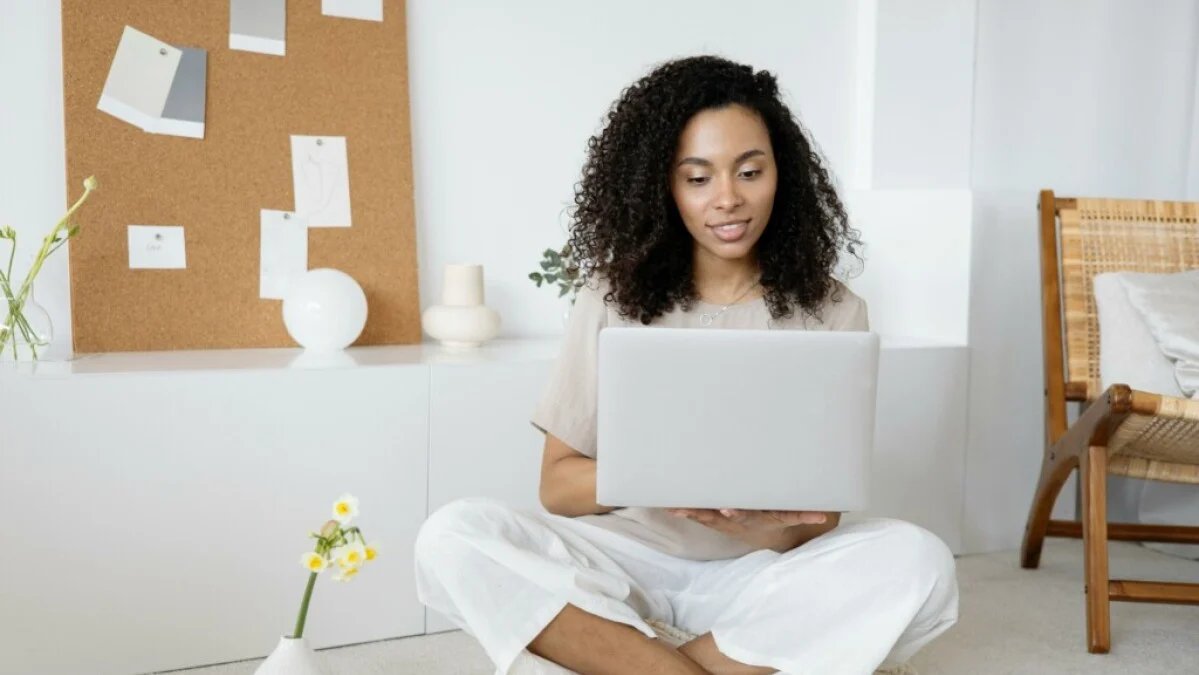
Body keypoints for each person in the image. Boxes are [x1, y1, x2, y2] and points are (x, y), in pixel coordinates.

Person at [415, 55, 958, 675]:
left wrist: (753, 523)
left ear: (782, 173)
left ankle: (632, 659)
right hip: (620, 566)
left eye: (749, 172)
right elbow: (558, 488)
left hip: (756, 575)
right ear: (663, 187)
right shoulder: (611, 297)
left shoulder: (835, 310)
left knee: (918, 560)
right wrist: (661, 478)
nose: (728, 199)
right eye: (697, 178)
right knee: (452, 535)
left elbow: (820, 520)